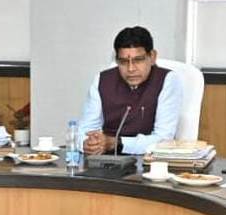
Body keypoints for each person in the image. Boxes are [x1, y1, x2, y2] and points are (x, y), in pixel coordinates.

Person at [78, 26, 183, 155]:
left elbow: (163, 139)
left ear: (152, 57)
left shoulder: (167, 80)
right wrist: (89, 143)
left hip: (149, 161)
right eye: (123, 62)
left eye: (138, 60)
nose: (131, 69)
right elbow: (84, 130)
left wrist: (116, 143)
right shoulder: (102, 80)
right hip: (106, 160)